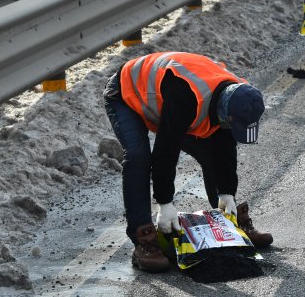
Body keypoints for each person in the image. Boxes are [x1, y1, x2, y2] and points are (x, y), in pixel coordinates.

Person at [103, 52, 273, 273]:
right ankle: (144, 240)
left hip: (171, 99)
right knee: (139, 157)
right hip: (126, 92)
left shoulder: (241, 95)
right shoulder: (186, 96)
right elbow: (165, 150)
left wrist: (227, 192)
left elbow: (225, 148)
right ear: (224, 112)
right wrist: (165, 204)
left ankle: (230, 225)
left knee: (214, 151)